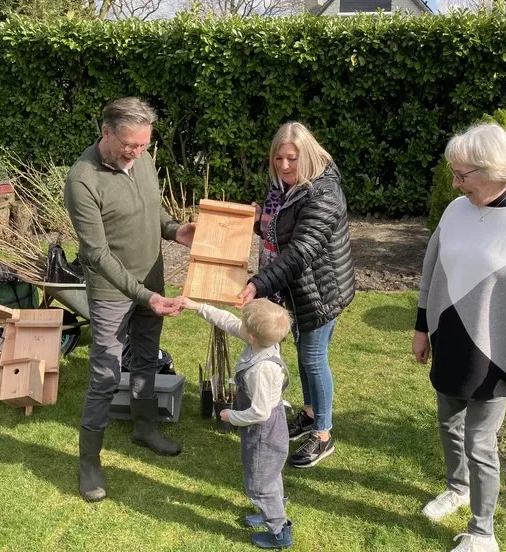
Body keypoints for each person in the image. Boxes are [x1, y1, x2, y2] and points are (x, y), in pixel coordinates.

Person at [412, 122, 506, 552]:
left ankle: (483, 532)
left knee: (480, 440)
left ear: (494, 170)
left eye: (463, 175)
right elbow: (432, 271)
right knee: (447, 422)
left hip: (496, 352)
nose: (456, 183)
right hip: (449, 338)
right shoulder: (454, 211)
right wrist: (422, 327)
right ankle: (457, 489)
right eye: (454, 173)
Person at [64, 97, 195, 502]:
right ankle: (89, 462)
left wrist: (176, 231)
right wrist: (146, 296)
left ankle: (144, 427)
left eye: (143, 146)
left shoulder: (143, 160)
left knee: (145, 357)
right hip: (111, 293)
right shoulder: (82, 179)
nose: (137, 153)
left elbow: (152, 213)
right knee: (104, 374)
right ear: (106, 132)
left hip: (149, 285)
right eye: (130, 146)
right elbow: (96, 254)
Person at [239, 122, 355, 469]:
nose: (285, 166)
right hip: (302, 288)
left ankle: (323, 434)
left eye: (292, 159)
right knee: (306, 353)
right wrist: (260, 221)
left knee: (312, 358)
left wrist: (259, 284)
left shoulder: (323, 194)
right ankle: (308, 414)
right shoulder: (288, 190)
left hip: (321, 291)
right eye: (278, 159)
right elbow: (283, 230)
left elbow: (301, 250)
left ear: (307, 156)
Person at [179, 296, 294, 549]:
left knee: (258, 483)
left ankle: (279, 530)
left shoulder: (260, 370)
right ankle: (272, 508)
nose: (238, 325)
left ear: (251, 336)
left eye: (244, 326)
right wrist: (197, 306)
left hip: (263, 429)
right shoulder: (263, 343)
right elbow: (228, 321)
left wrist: (232, 417)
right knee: (269, 473)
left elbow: (260, 412)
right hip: (269, 426)